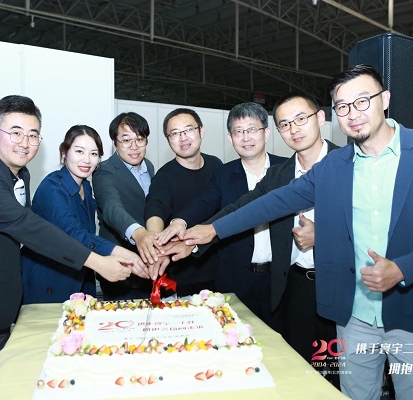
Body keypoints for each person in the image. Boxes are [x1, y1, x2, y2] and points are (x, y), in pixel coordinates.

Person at [183, 65, 413, 400]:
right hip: (354, 316)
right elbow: (273, 202)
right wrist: (214, 229)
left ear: (385, 100)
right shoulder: (334, 166)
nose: (353, 114)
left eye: (362, 101)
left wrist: (402, 268)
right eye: (343, 106)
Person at [0, 95, 134, 400]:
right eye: (16, 132)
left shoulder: (19, 173)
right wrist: (98, 262)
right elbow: (29, 227)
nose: (25, 143)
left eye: (33, 135)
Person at [158, 93, 340, 370]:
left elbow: (376, 223)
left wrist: (324, 235)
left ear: (321, 118)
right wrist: (197, 234)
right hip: (295, 285)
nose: (294, 129)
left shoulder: (348, 162)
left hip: (342, 286)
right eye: (285, 124)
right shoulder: (280, 175)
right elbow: (247, 207)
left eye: (301, 119)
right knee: (297, 368)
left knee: (344, 372)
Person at [156, 102, 286, 330]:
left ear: (266, 133)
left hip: (281, 279)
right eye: (238, 131)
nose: (245, 137)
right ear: (230, 137)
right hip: (236, 280)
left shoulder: (286, 170)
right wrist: (180, 222)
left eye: (252, 129)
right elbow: (204, 203)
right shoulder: (223, 174)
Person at [21, 125, 149, 304]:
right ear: (64, 152)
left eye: (94, 154)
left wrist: (130, 256)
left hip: (80, 278)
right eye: (79, 151)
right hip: (49, 279)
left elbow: (89, 236)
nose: (87, 160)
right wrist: (126, 255)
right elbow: (74, 235)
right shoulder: (51, 188)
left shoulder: (86, 187)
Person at [145, 108, 223, 296]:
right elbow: (155, 207)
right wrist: (155, 242)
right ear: (168, 140)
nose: (183, 138)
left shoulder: (217, 165)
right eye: (175, 133)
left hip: (219, 269)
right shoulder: (164, 176)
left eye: (188, 130)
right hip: (182, 276)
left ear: (201, 131)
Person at [92, 112, 158, 300]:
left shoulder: (149, 166)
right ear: (115, 143)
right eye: (126, 140)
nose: (134, 147)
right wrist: (139, 233)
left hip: (150, 264)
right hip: (120, 268)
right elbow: (111, 208)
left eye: (140, 139)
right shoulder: (104, 170)